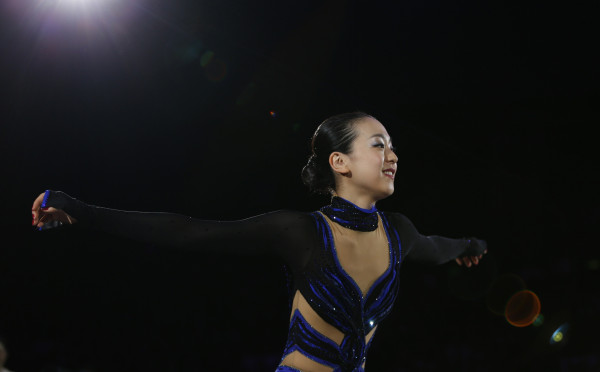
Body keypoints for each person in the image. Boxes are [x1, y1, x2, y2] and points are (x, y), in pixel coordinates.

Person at [31, 112, 487, 372]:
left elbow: (437, 246)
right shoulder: (300, 231)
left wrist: (470, 245)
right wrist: (80, 210)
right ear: (340, 162)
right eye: (378, 144)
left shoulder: (399, 233)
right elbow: (187, 230)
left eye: (392, 146)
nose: (393, 155)